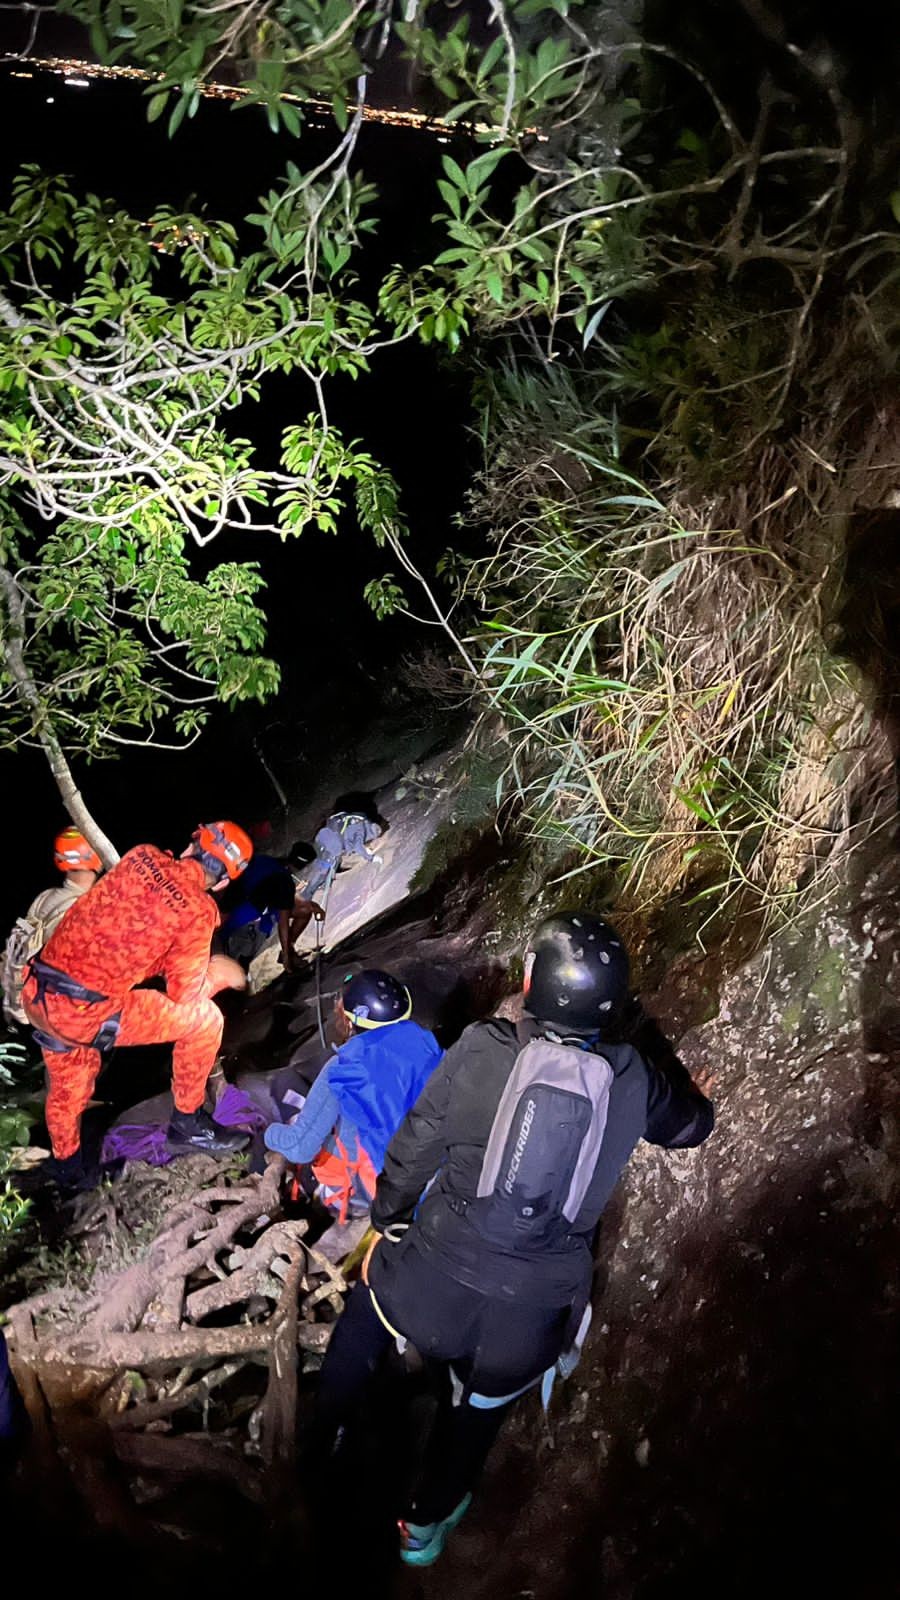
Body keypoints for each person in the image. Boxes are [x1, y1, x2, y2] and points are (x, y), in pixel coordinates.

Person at [310, 912, 715, 1567]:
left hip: (422, 1289)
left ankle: (323, 1436)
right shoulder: (633, 1078)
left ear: (531, 982)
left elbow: (413, 1148)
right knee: (478, 1413)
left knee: (368, 1308)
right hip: (525, 1323)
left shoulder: (482, 1047)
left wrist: (387, 1221)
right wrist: (696, 1101)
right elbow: (691, 1128)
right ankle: (422, 1528)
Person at [21, 821, 255, 1189]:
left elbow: (130, 927)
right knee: (205, 1019)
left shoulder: (140, 855)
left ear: (191, 845)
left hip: (39, 992)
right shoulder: (198, 909)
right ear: (224, 881)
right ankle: (188, 1123)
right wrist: (218, 974)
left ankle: (67, 1167)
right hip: (85, 1012)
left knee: (70, 1074)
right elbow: (184, 993)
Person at [263, 969, 441, 1252]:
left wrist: (268, 1133)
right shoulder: (425, 1042)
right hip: (435, 1170)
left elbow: (300, 1148)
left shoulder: (343, 1069)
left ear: (349, 1017)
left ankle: (334, 1210)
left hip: (380, 1190)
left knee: (288, 1093)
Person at [2, 828, 102, 1028]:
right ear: (93, 856)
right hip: (46, 1014)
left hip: (16, 1002)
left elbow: (16, 947)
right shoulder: (85, 910)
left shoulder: (46, 897)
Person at [220, 841, 324, 971]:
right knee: (244, 954)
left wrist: (312, 905)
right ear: (304, 866)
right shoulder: (285, 881)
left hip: (231, 909)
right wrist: (287, 956)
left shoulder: (263, 860)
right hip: (246, 920)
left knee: (305, 908)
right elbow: (283, 921)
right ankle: (247, 961)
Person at [301, 809, 385, 904]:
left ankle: (324, 883)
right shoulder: (361, 829)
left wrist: (360, 849)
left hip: (324, 836)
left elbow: (349, 840)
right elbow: (357, 846)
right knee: (325, 867)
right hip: (329, 840)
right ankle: (305, 896)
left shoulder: (360, 821)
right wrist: (372, 858)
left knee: (333, 860)